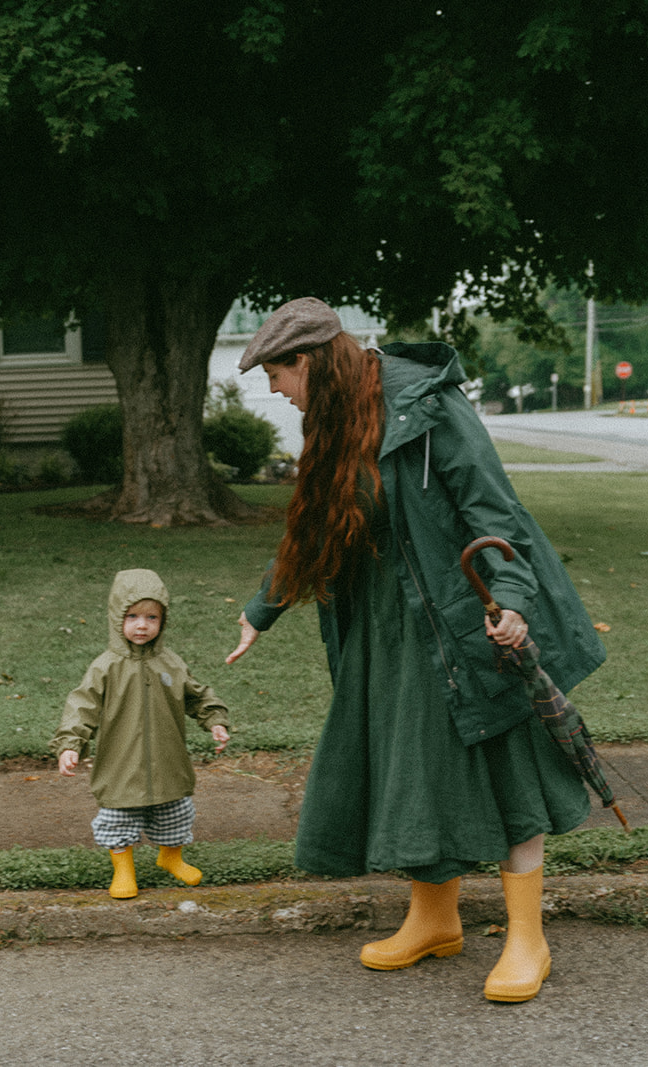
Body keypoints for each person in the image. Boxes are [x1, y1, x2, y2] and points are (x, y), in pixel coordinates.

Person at [225, 297, 605, 1002]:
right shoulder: (335, 419)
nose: (275, 389)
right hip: (385, 629)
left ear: (305, 362)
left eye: (276, 374)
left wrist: (513, 599)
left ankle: (528, 938)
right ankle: (434, 917)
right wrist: (262, 609)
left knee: (507, 772)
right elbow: (316, 527)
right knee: (413, 769)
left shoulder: (429, 407)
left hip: (463, 620)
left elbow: (496, 511)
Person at [55, 568, 231, 899]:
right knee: (118, 817)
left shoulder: (171, 663)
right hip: (120, 763)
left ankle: (171, 857)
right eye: (133, 616)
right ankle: (123, 869)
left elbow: (197, 695)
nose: (141, 625)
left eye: (152, 617)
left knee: (175, 813)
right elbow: (82, 706)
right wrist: (70, 743)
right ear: (116, 618)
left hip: (167, 760)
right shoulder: (105, 667)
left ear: (162, 621)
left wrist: (215, 720)